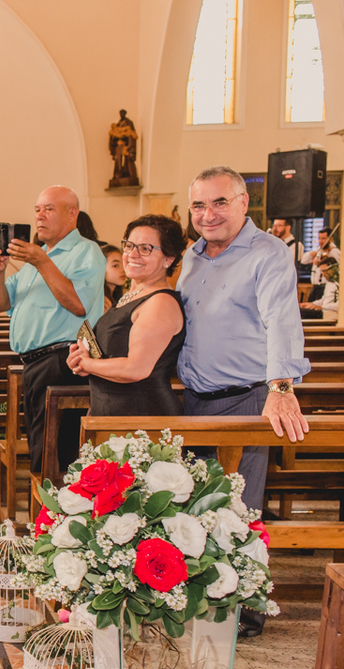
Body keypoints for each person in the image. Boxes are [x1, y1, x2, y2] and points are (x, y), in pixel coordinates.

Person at [179, 165, 310, 638]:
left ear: (243, 204)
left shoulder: (267, 253)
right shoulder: (191, 256)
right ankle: (197, 604)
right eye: (198, 204)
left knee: (240, 511)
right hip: (194, 401)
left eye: (218, 202)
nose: (208, 214)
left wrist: (280, 387)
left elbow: (281, 320)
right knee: (194, 508)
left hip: (246, 399)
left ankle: (243, 611)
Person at [0, 185, 105, 474]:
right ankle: (47, 514)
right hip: (35, 364)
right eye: (37, 209)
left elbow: (78, 303)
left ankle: (60, 514)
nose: (40, 216)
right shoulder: (36, 258)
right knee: (42, 448)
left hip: (64, 361)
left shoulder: (85, 251)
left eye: (49, 209)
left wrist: (42, 262)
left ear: (72, 214)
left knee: (60, 454)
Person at [67, 215, 185, 416]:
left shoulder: (161, 303)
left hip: (143, 418)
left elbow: (135, 369)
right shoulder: (129, 296)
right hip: (111, 412)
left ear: (169, 258)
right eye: (129, 246)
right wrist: (81, 357)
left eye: (145, 248)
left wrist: (87, 364)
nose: (133, 254)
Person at [300, 228, 340, 302]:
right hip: (314, 287)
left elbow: (338, 267)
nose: (320, 241)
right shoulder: (319, 250)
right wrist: (311, 254)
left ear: (330, 239)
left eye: (323, 239)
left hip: (324, 286)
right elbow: (303, 261)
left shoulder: (334, 251)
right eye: (319, 238)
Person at [101, 243, 126, 311]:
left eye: (124, 264)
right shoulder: (101, 300)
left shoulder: (118, 297)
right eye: (115, 266)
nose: (123, 270)